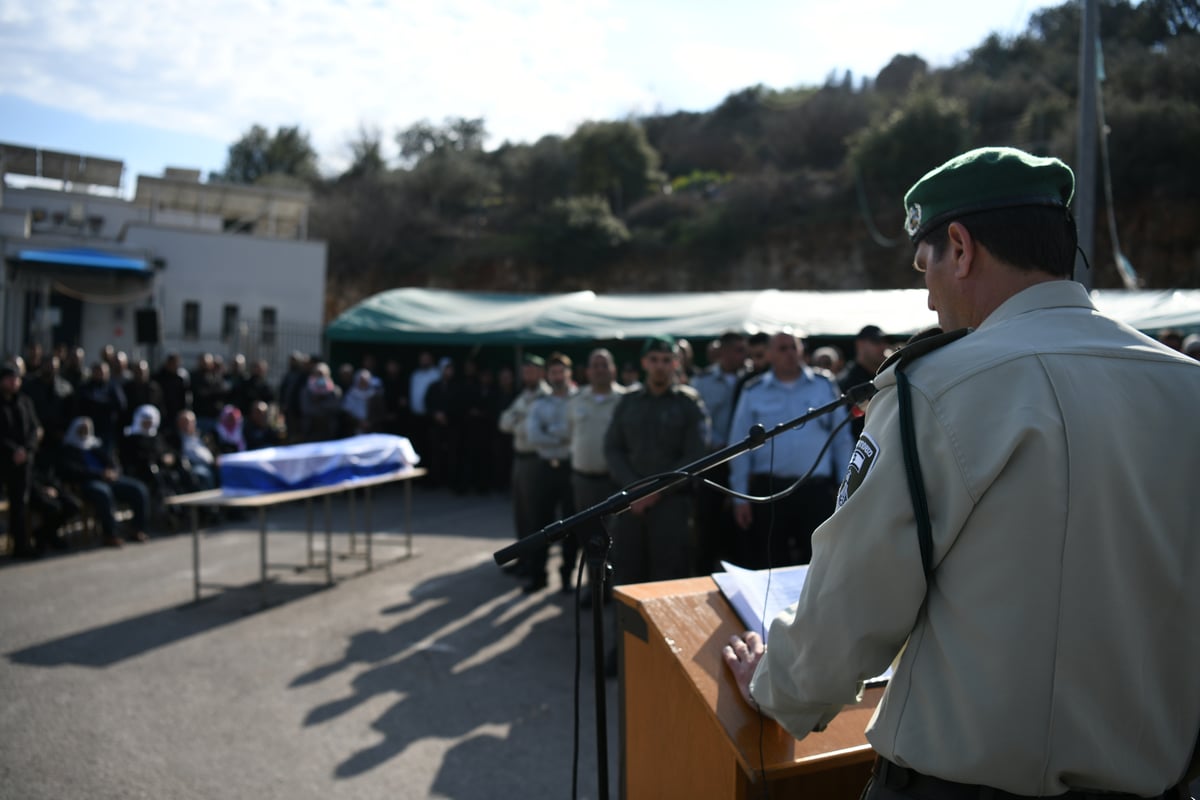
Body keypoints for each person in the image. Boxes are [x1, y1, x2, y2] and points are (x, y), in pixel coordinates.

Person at [722, 146, 1200, 799]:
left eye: (925, 266)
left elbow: (856, 595)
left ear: (960, 246)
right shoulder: (1186, 386)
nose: (926, 296)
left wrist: (775, 686)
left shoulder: (938, 387)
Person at [728, 330, 853, 568]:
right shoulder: (753, 390)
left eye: (793, 347)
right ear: (770, 354)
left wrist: (844, 483)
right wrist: (740, 497)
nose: (789, 354)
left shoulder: (823, 385)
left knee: (819, 564)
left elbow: (841, 438)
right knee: (771, 565)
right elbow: (739, 445)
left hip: (816, 490)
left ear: (802, 351)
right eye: (782, 348)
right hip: (770, 492)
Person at [604, 336, 708, 585]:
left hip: (671, 505)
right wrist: (634, 488)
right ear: (644, 363)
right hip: (630, 503)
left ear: (675, 363)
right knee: (628, 575)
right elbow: (612, 448)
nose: (660, 365)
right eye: (654, 360)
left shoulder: (688, 402)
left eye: (666, 360)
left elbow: (695, 455)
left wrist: (655, 491)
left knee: (669, 577)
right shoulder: (628, 402)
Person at [565, 348, 626, 598]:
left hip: (614, 481)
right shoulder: (577, 400)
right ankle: (594, 588)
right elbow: (571, 433)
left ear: (613, 370)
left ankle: (617, 588)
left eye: (605, 365)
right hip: (584, 480)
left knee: (618, 537)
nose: (600, 370)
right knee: (589, 539)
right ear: (588, 371)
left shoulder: (625, 399)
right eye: (595, 365)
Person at [691, 330, 748, 572]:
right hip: (713, 462)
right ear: (722, 352)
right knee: (708, 525)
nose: (743, 355)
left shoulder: (752, 380)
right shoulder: (702, 382)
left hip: (744, 462)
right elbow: (698, 422)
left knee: (740, 526)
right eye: (738, 350)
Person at [523, 353, 579, 593]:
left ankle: (567, 576)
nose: (557, 376)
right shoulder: (540, 403)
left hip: (570, 468)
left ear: (569, 373)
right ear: (548, 375)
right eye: (553, 372)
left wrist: (551, 431)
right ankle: (538, 576)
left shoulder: (578, 400)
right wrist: (561, 433)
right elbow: (533, 436)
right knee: (540, 523)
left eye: (561, 372)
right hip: (545, 468)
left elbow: (576, 434)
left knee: (571, 523)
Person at [57, 416, 150, 547]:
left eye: (87, 429)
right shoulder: (69, 449)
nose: (84, 432)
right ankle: (110, 534)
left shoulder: (95, 445)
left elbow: (112, 462)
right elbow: (73, 471)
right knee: (103, 493)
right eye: (81, 429)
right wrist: (100, 474)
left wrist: (113, 471)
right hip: (88, 482)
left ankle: (137, 529)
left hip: (109, 479)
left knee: (138, 489)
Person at [497, 354, 549, 577]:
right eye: (525, 370)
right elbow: (504, 422)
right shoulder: (523, 395)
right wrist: (519, 421)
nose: (528, 374)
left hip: (536, 460)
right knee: (521, 514)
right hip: (520, 458)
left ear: (541, 372)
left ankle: (535, 566)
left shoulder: (546, 396)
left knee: (535, 516)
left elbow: (533, 430)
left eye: (532, 370)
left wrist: (519, 422)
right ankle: (523, 558)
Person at [1, 361, 41, 557]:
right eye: (9, 379)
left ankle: (21, 545)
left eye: (16, 379)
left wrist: (26, 450)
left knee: (20, 505)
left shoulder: (25, 401)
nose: (13, 382)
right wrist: (13, 451)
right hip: (4, 460)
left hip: (23, 462)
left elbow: (34, 429)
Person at [838, 325, 890, 438]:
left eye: (884, 341)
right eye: (876, 341)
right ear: (860, 344)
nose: (883, 346)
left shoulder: (886, 377)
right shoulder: (846, 381)